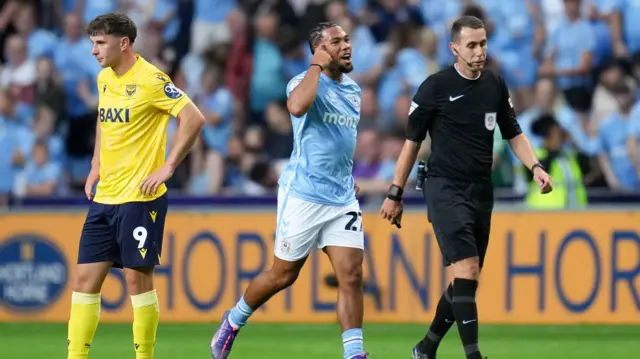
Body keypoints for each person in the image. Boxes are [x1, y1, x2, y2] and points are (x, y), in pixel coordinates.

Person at [379, 16, 553, 359]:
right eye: (471, 45)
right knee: (467, 270)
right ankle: (474, 355)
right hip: (444, 186)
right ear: (454, 48)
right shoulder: (434, 88)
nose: (478, 51)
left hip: (480, 189)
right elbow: (411, 143)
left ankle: (425, 349)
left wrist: (534, 166)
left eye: (483, 43)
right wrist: (395, 192)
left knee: (466, 278)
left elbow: (513, 133)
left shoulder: (494, 85)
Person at [210, 22, 368, 359]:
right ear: (319, 49)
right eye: (336, 42)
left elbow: (340, 143)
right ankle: (234, 320)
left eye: (347, 40)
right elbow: (297, 108)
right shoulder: (302, 82)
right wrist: (315, 65)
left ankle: (355, 354)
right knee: (282, 275)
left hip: (341, 197)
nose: (346, 46)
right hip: (305, 195)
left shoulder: (354, 91)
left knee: (352, 276)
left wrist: (346, 173)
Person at [67, 13, 205, 359]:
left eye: (100, 43)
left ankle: (144, 356)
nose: (94, 51)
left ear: (123, 43)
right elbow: (104, 119)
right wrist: (96, 165)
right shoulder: (103, 79)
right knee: (84, 281)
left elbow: (193, 118)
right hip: (105, 196)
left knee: (136, 283)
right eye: (92, 43)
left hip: (141, 198)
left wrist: (168, 167)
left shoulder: (152, 80)